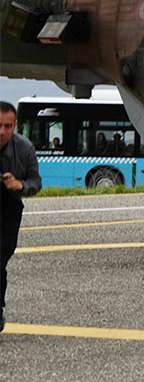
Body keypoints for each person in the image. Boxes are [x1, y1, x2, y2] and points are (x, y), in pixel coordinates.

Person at [1, 100, 41, 333]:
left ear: (15, 125)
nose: (2, 131)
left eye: (8, 126)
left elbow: (36, 183)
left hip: (9, 209)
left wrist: (19, 185)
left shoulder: (25, 149)